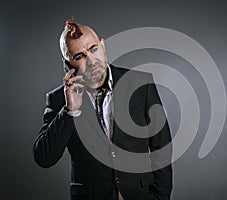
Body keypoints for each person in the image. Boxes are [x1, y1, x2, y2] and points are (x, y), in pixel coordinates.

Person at [33, 19, 173, 200]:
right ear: (67, 63)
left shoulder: (141, 84)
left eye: (93, 49)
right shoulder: (59, 100)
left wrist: (161, 197)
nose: (91, 61)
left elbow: (161, 146)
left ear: (102, 45)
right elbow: (44, 158)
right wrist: (69, 111)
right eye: (79, 56)